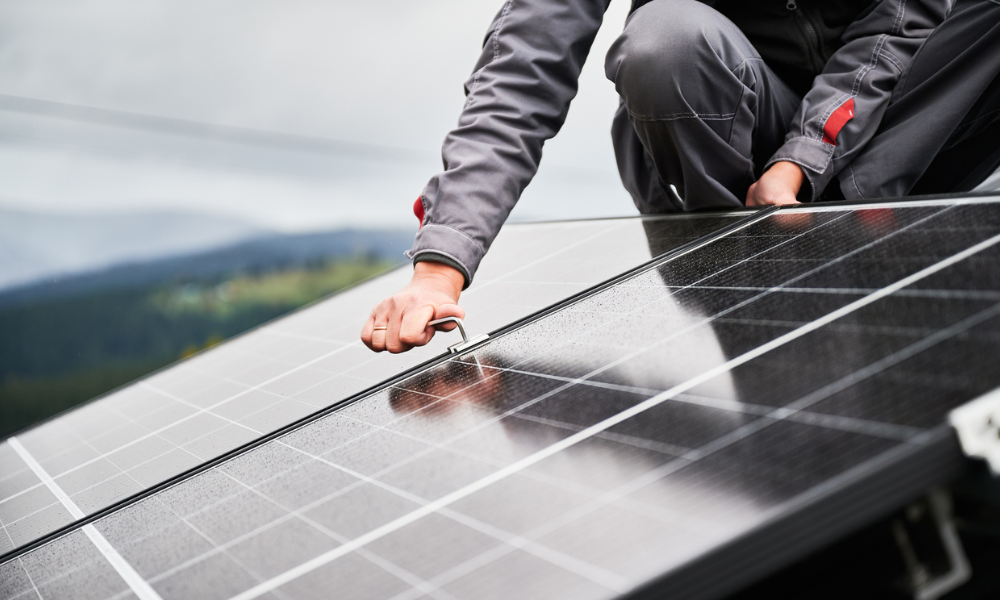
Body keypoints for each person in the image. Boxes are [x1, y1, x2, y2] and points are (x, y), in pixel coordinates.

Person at [362, 0, 1000, 354]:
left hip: (895, 123)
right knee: (667, 41)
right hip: (730, 149)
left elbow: (905, 11)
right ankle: (756, 295)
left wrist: (805, 155)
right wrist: (438, 266)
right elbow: (520, 71)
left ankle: (861, 240)